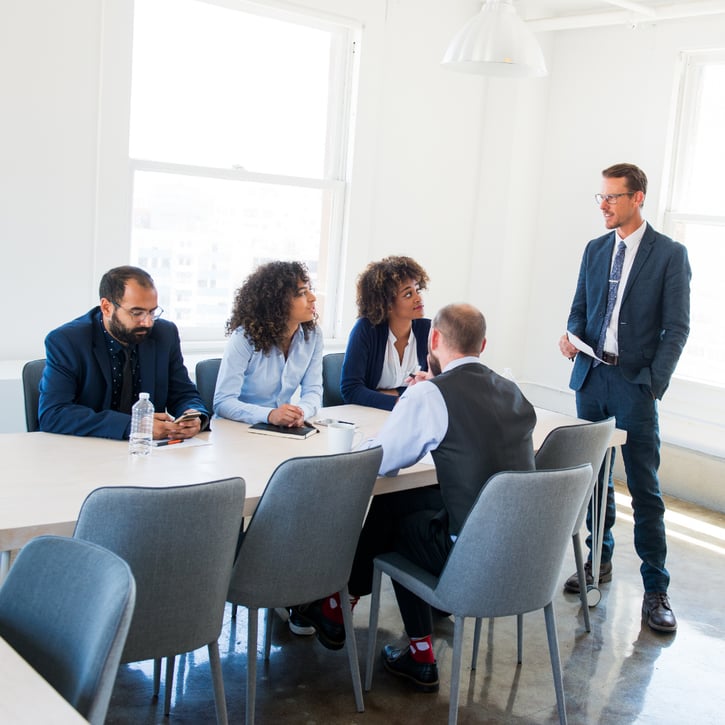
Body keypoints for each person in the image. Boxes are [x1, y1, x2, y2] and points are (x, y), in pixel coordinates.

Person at [292, 304, 537, 692]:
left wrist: (416, 399)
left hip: (468, 560)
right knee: (413, 500)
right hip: (527, 559)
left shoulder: (431, 395)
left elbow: (380, 461)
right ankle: (347, 613)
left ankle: (352, 614)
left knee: (393, 516)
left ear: (434, 339)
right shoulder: (513, 391)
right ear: (483, 345)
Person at [559, 163, 691, 634]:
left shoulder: (670, 255)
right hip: (591, 379)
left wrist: (653, 383)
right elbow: (580, 308)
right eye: (601, 197)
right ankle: (599, 561)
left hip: (635, 385)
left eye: (612, 197)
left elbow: (677, 327)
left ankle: (656, 589)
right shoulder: (595, 250)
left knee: (645, 488)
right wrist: (571, 337)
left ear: (637, 199)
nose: (604, 205)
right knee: (596, 480)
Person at [39, 265, 208, 440]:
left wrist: (194, 416)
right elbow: (54, 413)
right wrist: (134, 426)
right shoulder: (67, 340)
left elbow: (183, 393)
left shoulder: (165, 334)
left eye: (152, 312)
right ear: (106, 307)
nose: (148, 322)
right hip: (86, 452)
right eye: (137, 313)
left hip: (149, 454)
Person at [213, 260, 323, 427]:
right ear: (278, 302)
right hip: (238, 429)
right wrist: (270, 415)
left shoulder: (313, 335)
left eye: (310, 290)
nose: (312, 298)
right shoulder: (244, 337)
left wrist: (300, 412)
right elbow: (223, 402)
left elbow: (313, 391)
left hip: (279, 430)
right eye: (302, 293)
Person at [340, 255, 431, 410]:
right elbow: (351, 390)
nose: (418, 298)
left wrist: (392, 393)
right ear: (387, 304)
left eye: (417, 290)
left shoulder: (428, 330)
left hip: (411, 414)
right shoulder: (366, 330)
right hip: (369, 416)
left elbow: (434, 386)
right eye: (408, 294)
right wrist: (399, 402)